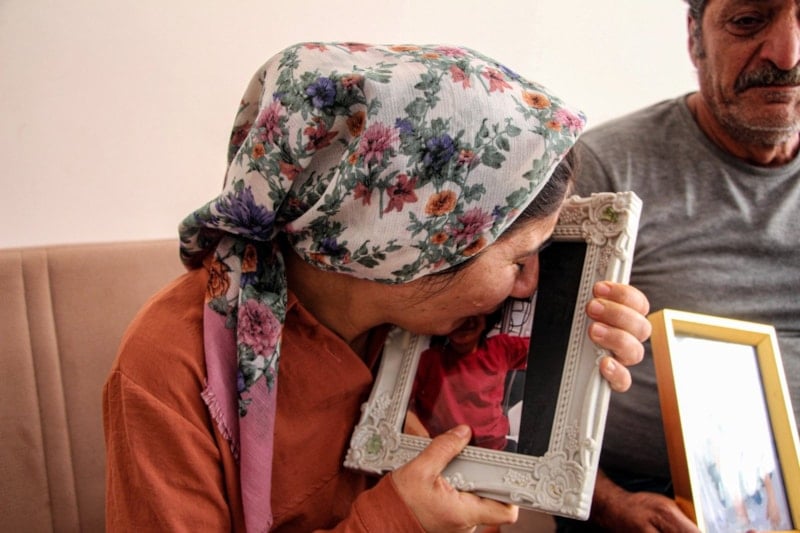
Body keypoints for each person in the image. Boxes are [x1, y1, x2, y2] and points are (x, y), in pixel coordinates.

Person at [102, 42, 653, 532]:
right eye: (519, 260)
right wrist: (396, 521)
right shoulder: (174, 367)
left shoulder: (430, 325)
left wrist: (581, 358)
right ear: (415, 246)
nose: (529, 284)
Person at [555, 1, 800, 531]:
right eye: (749, 21)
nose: (787, 55)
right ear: (695, 37)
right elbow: (516, 373)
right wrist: (609, 504)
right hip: (643, 503)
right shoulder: (606, 170)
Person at [406, 310, 528, 451]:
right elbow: (398, 406)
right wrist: (423, 441)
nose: (465, 321)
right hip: (443, 449)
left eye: (475, 312)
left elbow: (545, 349)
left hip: (494, 449)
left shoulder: (501, 348)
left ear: (488, 317)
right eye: (458, 311)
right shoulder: (428, 360)